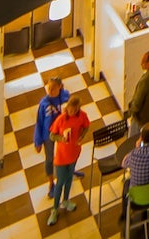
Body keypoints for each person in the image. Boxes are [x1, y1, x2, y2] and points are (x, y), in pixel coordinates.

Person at [45, 95, 90, 226]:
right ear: (67, 108)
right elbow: (52, 135)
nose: (73, 112)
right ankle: (55, 209)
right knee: (59, 182)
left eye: (75, 110)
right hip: (61, 156)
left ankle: (66, 200)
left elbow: (86, 126)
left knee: (69, 177)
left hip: (74, 152)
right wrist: (61, 139)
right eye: (71, 110)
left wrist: (82, 136)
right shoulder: (60, 119)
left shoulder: (82, 115)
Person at [32, 77, 70, 192]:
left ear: (60, 87)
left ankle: (68, 172)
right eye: (49, 88)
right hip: (48, 134)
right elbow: (39, 122)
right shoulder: (44, 104)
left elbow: (69, 102)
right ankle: (51, 183)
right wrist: (37, 141)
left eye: (54, 88)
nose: (50, 91)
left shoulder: (64, 98)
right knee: (49, 158)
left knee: (66, 152)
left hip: (61, 131)